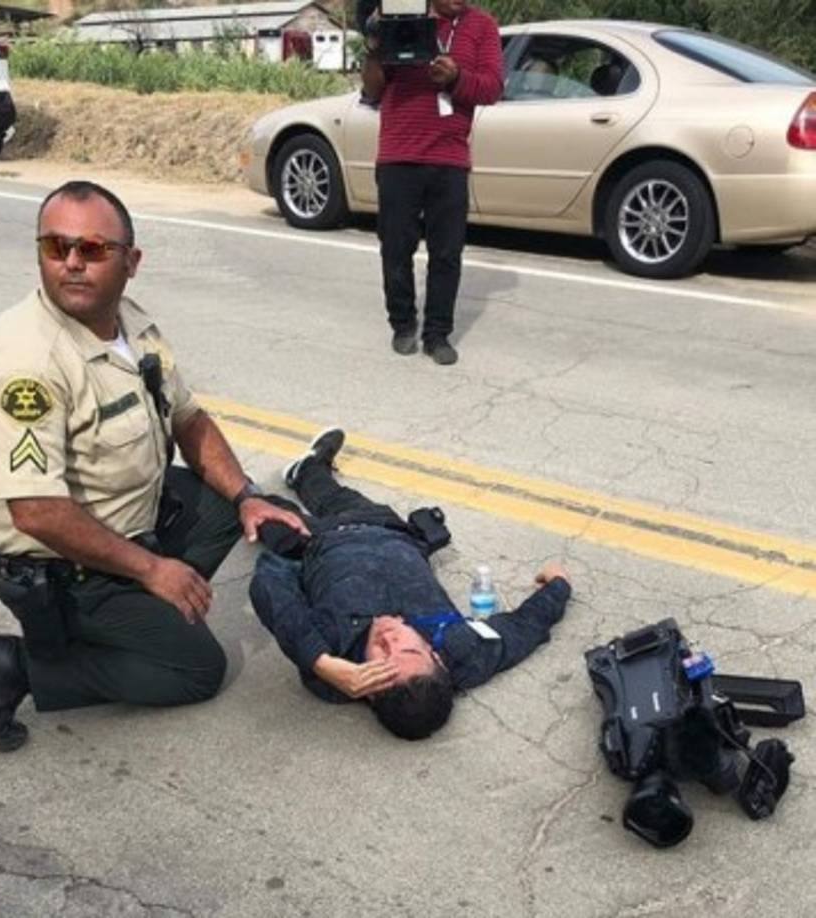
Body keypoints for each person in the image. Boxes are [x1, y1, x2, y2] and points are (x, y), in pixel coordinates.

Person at [0, 180, 308, 753]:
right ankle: (20, 664)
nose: (71, 263)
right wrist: (152, 570)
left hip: (128, 515)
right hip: (59, 564)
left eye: (92, 249)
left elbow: (190, 420)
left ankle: (141, 607)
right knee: (198, 670)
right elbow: (36, 512)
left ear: (131, 262)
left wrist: (248, 494)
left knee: (239, 507)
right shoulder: (24, 363)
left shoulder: (130, 323)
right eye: (55, 247)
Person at [249, 428, 572, 740]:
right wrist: (558, 585)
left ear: (368, 689)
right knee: (330, 492)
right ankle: (307, 470)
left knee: (262, 514)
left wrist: (318, 660)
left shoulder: (336, 662)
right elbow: (524, 627)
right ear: (435, 657)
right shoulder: (463, 652)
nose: (388, 636)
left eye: (380, 654)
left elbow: (269, 581)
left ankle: (244, 492)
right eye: (405, 646)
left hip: (312, 546)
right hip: (384, 528)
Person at [361, 0, 503, 366]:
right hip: (398, 155)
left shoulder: (482, 26)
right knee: (395, 249)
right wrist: (375, 46)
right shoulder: (401, 18)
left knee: (446, 254)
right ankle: (403, 325)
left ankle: (437, 334)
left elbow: (492, 88)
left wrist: (456, 78)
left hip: (450, 159)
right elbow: (374, 90)